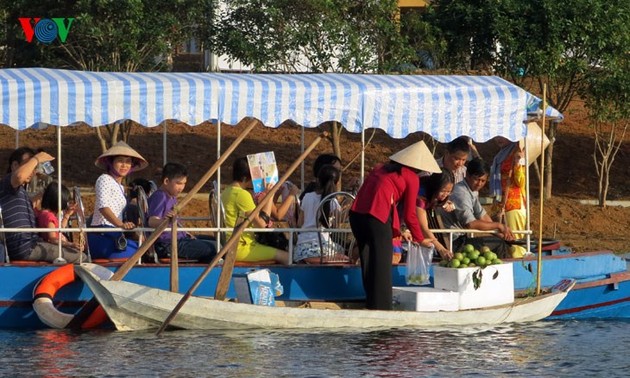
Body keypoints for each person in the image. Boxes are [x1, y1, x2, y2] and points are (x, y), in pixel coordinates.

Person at [349, 141, 441, 310]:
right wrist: (420, 239)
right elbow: (410, 213)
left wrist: (401, 230)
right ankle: (382, 308)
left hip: (357, 216)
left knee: (369, 261)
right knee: (382, 265)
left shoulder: (380, 168)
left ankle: (371, 303)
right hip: (376, 218)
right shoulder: (411, 177)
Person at [0, 147, 85, 263]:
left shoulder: (19, 192)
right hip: (26, 247)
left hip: (31, 243)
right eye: (28, 164)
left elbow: (32, 204)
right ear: (14, 166)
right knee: (81, 257)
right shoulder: (8, 183)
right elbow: (19, 176)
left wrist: (45, 190)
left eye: (34, 167)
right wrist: (36, 158)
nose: (33, 170)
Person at [437, 158, 515, 258]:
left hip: (461, 239)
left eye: (483, 181)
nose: (479, 184)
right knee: (499, 244)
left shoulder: (472, 190)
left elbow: (482, 215)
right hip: (454, 243)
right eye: (476, 179)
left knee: (500, 240)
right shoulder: (461, 192)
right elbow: (471, 224)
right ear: (467, 175)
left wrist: (501, 234)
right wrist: (499, 226)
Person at [220, 157, 290, 264]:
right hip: (240, 247)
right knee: (286, 256)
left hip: (231, 244)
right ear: (245, 178)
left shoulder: (226, 191)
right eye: (253, 177)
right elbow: (261, 224)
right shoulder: (242, 195)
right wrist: (270, 195)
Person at [88, 141, 148, 260]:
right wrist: (120, 224)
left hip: (115, 234)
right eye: (120, 161)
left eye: (128, 162)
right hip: (103, 234)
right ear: (111, 162)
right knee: (140, 252)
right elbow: (103, 207)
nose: (124, 165)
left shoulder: (120, 186)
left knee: (144, 249)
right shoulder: (104, 179)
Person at [147, 163, 217, 263]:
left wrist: (185, 232)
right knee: (214, 248)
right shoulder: (160, 197)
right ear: (166, 181)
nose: (182, 187)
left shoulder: (172, 196)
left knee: (214, 240)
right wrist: (165, 221)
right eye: (179, 183)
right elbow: (151, 221)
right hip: (168, 244)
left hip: (181, 238)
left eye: (184, 183)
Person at [294, 164, 346, 264]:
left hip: (303, 245)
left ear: (318, 179)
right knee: (343, 251)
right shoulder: (332, 201)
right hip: (323, 245)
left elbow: (300, 223)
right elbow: (340, 221)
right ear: (336, 183)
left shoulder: (307, 197)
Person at [414, 169, 456, 260]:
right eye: (443, 190)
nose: (445, 194)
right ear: (435, 187)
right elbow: (423, 228)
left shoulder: (435, 196)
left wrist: (443, 203)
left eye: (449, 191)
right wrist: (441, 249)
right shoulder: (420, 197)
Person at [36, 182, 84, 252]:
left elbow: (60, 228)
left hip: (58, 247)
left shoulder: (43, 214)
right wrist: (71, 244)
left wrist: (67, 215)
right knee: (84, 257)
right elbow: (52, 239)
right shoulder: (49, 217)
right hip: (58, 250)